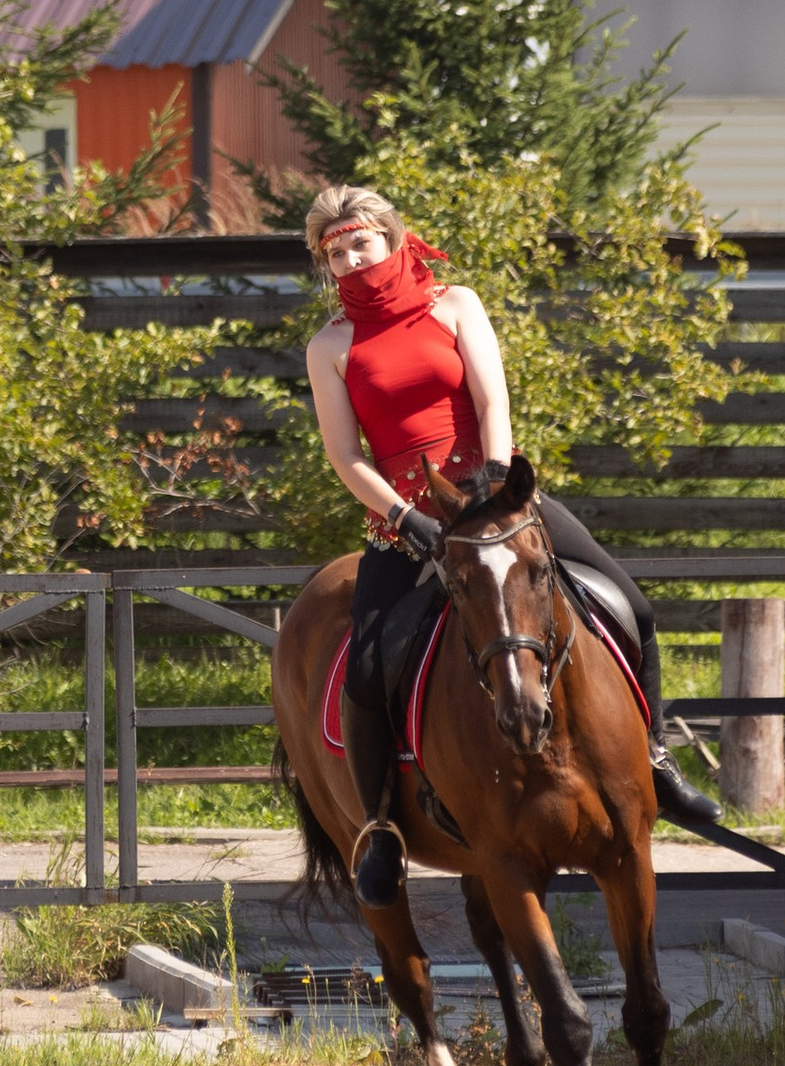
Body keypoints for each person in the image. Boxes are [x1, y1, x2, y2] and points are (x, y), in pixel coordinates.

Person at [301, 181, 721, 901]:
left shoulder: (456, 304)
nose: (349, 260)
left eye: (359, 243)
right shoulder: (330, 345)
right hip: (407, 524)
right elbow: (347, 457)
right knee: (367, 672)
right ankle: (380, 830)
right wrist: (407, 519)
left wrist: (495, 490)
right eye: (334, 253)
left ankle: (655, 763)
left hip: (497, 502)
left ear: (393, 237)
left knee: (634, 608)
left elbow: (493, 400)